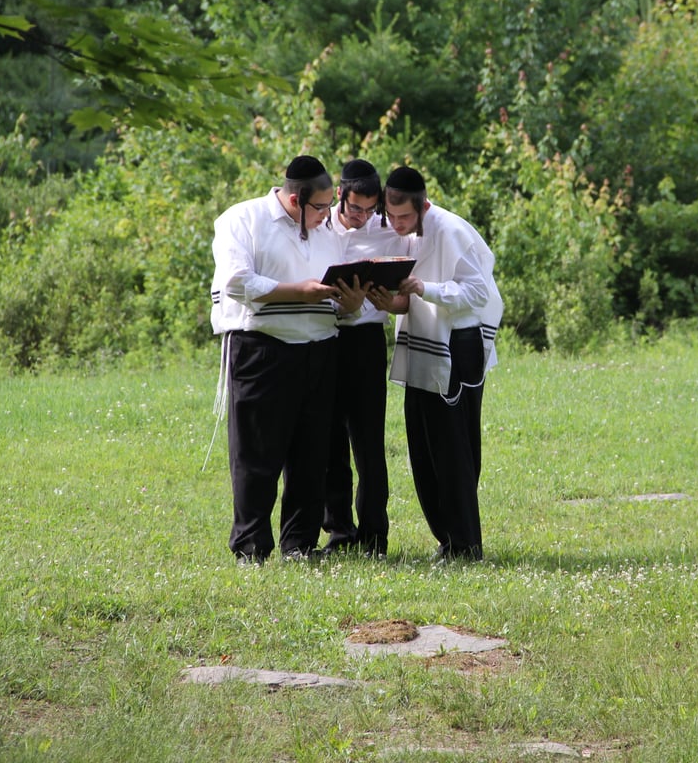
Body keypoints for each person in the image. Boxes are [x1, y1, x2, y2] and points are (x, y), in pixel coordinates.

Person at [209, 155, 366, 564]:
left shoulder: (327, 232)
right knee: (257, 454)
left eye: (331, 206)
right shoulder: (243, 219)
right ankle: (251, 547)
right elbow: (237, 281)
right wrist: (299, 291)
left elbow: (341, 304)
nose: (327, 215)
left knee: (311, 455)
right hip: (262, 349)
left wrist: (351, 302)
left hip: (320, 349)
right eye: (320, 207)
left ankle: (299, 544)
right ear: (295, 201)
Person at [369, 166, 503, 562]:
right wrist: (389, 301)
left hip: (458, 346)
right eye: (390, 217)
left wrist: (425, 288)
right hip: (422, 342)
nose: (397, 224)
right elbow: (412, 298)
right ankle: (447, 539)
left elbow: (478, 292)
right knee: (423, 448)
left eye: (405, 217)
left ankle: (466, 545)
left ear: (424, 205)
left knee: (453, 450)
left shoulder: (451, 230)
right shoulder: (408, 234)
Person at [321, 159, 413, 557]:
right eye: (355, 208)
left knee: (369, 442)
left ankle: (375, 536)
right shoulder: (317, 226)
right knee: (328, 441)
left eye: (370, 210)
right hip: (323, 339)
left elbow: (407, 290)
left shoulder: (386, 232)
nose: (362, 217)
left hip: (366, 342)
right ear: (341, 196)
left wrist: (389, 300)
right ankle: (339, 532)